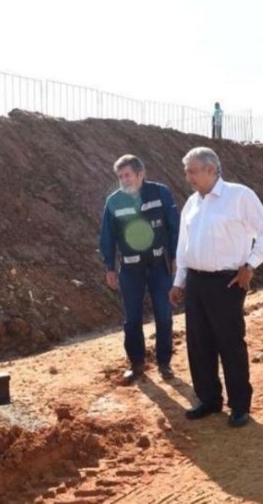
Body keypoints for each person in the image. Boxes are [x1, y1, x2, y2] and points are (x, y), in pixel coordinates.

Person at [168, 147, 263, 428]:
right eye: (186, 172)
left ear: (211, 169)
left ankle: (239, 405)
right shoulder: (192, 204)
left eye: (192, 171)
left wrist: (250, 265)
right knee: (199, 343)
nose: (187, 177)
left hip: (227, 282)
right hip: (195, 281)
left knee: (229, 343)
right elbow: (183, 247)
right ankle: (209, 399)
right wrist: (179, 282)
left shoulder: (239, 196)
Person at [100, 155, 180, 382]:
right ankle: (136, 364)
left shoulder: (160, 193)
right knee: (132, 319)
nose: (124, 180)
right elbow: (108, 237)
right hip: (130, 269)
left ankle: (164, 363)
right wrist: (110, 267)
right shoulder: (114, 201)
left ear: (140, 174)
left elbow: (174, 227)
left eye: (127, 175)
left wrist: (175, 256)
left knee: (163, 315)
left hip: (158, 267)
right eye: (120, 176)